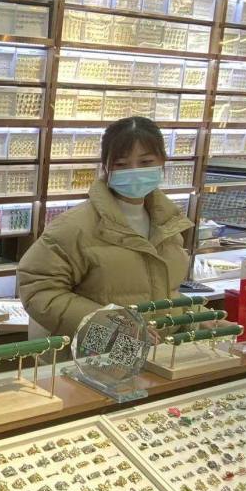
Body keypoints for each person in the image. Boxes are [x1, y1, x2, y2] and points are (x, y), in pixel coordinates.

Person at [17, 116, 192, 339]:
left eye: (145, 162)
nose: (134, 171)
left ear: (162, 162)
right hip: (98, 356)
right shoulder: (74, 227)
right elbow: (39, 289)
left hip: (157, 354)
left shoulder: (169, 223)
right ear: (106, 167)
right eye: (121, 164)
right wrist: (114, 326)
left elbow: (168, 292)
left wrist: (195, 319)